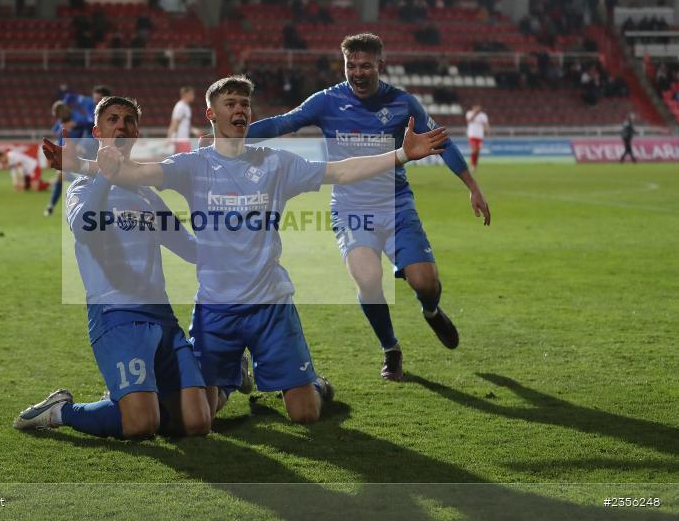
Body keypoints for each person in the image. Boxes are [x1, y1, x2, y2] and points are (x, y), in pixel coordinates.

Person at [93, 75, 448, 423]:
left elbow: (340, 172)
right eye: (229, 103)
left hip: (271, 305)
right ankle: (235, 377)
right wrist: (97, 162)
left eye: (244, 104)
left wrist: (400, 154)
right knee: (205, 410)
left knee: (304, 413)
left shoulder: (276, 163)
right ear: (211, 114)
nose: (239, 110)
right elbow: (137, 174)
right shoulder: (192, 166)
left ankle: (315, 386)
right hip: (216, 309)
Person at [246, 33, 491, 382]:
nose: (357, 73)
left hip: (396, 206)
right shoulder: (326, 101)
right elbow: (282, 122)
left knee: (426, 283)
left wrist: (473, 187)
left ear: (380, 64)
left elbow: (441, 142)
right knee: (368, 278)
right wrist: (232, 137)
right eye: (350, 65)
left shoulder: (403, 103)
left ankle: (431, 310)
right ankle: (391, 349)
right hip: (350, 208)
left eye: (365, 65)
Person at [15, 96, 211, 439]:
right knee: (141, 425)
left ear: (136, 134)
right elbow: (85, 229)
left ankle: (131, 396)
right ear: (98, 131)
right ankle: (61, 411)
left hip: (162, 317)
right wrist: (104, 175)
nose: (121, 125)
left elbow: (192, 250)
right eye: (112, 119)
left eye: (129, 121)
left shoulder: (147, 194)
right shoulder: (82, 186)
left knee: (196, 423)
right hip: (116, 316)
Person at [45, 100, 94, 217]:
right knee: (61, 177)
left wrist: (82, 143)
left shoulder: (77, 118)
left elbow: (90, 127)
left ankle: (52, 205)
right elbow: (57, 132)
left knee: (62, 176)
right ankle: (51, 206)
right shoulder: (62, 121)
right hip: (66, 153)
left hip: (78, 153)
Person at [166, 86, 198, 153]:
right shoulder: (180, 107)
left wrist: (194, 130)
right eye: (191, 94)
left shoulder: (186, 107)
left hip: (184, 139)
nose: (193, 96)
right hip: (180, 140)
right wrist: (169, 138)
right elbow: (174, 122)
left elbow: (185, 124)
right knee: (187, 161)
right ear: (186, 95)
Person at [465, 103, 490, 170]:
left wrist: (488, 130)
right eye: (476, 107)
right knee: (474, 150)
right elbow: (469, 120)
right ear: (473, 107)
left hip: (480, 135)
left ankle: (474, 165)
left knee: (477, 151)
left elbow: (485, 124)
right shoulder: (469, 113)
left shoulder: (483, 115)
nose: (477, 109)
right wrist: (475, 113)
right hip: (472, 134)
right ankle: (472, 165)